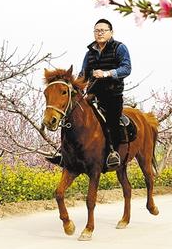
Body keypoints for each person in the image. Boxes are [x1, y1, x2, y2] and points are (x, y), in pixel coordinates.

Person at [46, 18, 131, 169]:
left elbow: (126, 68)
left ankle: (112, 153)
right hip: (93, 95)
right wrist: (75, 87)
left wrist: (106, 73)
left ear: (111, 32)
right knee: (71, 117)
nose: (100, 33)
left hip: (112, 95)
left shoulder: (119, 48)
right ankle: (63, 153)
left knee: (112, 121)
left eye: (103, 30)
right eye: (97, 31)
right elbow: (83, 74)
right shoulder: (89, 53)